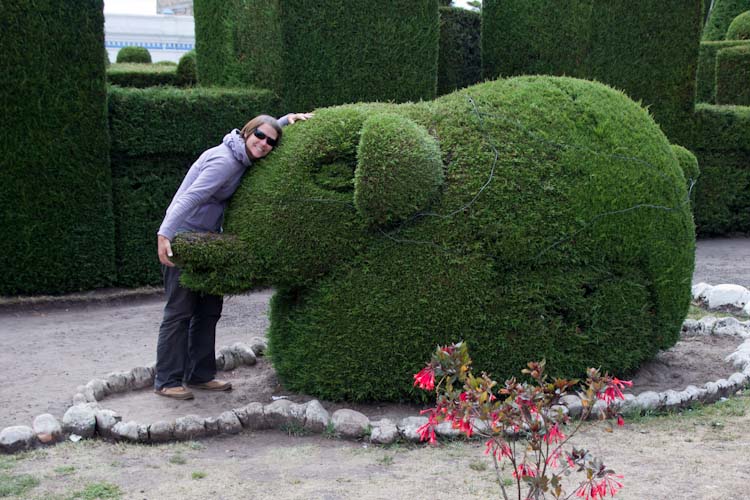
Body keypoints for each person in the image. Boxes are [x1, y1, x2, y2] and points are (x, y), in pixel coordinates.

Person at [154, 112, 313, 399]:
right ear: (246, 132)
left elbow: (266, 131)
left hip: (208, 241)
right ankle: (167, 380)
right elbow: (190, 196)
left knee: (208, 311)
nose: (264, 143)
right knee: (179, 313)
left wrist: (287, 119)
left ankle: (200, 375)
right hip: (184, 240)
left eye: (270, 141)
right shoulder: (225, 162)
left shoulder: (241, 155)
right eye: (259, 136)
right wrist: (164, 235)